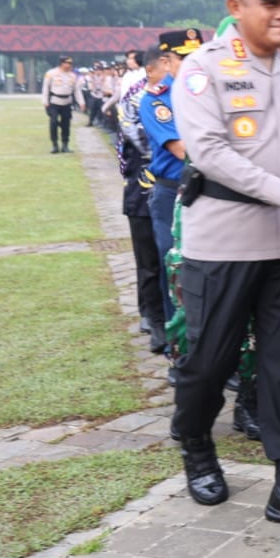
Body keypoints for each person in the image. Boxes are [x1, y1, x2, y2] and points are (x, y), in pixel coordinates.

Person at [168, 0, 280, 533]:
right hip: (225, 241)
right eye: (269, 2)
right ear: (236, 6)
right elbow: (209, 152)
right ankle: (196, 444)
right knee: (209, 362)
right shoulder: (202, 68)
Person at [139, 30, 203, 335]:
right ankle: (175, 344)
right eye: (184, 57)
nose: (193, 63)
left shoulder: (209, 90)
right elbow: (181, 150)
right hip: (172, 192)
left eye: (196, 55)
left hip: (208, 190)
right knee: (173, 265)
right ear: (167, 61)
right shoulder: (156, 100)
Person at [115, 56, 165, 354]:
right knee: (148, 259)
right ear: (153, 69)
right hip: (143, 186)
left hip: (172, 185)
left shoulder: (184, 93)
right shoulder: (135, 100)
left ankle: (166, 317)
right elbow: (145, 143)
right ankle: (153, 317)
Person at [41, 56, 82, 152]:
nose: (69, 65)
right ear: (62, 63)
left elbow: (77, 90)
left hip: (67, 102)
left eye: (70, 63)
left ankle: (65, 145)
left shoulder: (73, 76)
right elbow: (45, 88)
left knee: (66, 124)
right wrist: (45, 101)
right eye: (67, 63)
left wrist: (81, 102)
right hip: (54, 101)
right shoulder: (51, 73)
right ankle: (55, 145)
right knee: (54, 122)